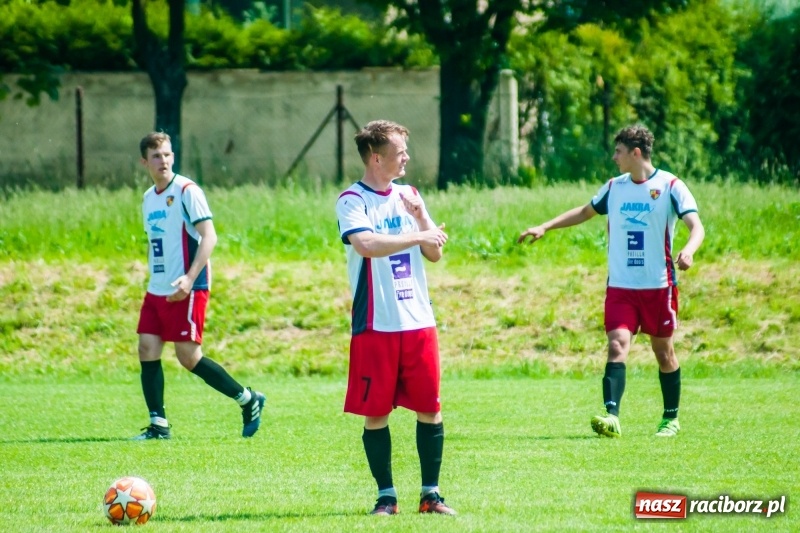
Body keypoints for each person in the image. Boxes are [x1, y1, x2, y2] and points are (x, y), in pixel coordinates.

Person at [518, 124, 705, 438]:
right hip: (620, 287)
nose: (614, 157)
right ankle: (612, 416)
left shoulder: (671, 185)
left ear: (635, 153)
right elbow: (584, 212)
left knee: (664, 353)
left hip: (658, 287)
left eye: (618, 151)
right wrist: (545, 227)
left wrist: (689, 249)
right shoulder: (614, 187)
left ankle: (670, 418)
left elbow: (696, 226)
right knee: (617, 345)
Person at [335, 120, 456, 516]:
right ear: (375, 157)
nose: (406, 157)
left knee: (430, 408)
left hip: (418, 319)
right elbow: (366, 244)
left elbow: (434, 253)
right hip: (376, 323)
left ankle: (431, 495)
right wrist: (418, 236)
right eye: (399, 151)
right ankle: (386, 497)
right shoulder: (352, 199)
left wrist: (422, 221)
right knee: (376, 413)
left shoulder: (410, 195)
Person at [133, 131, 265, 440]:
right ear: (144, 162)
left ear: (173, 157)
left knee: (188, 357)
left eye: (166, 154)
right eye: (155, 156)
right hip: (157, 288)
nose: (162, 160)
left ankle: (248, 399)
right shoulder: (148, 199)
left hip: (188, 287)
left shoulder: (186, 190)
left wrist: (190, 279)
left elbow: (209, 236)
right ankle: (159, 425)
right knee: (146, 348)